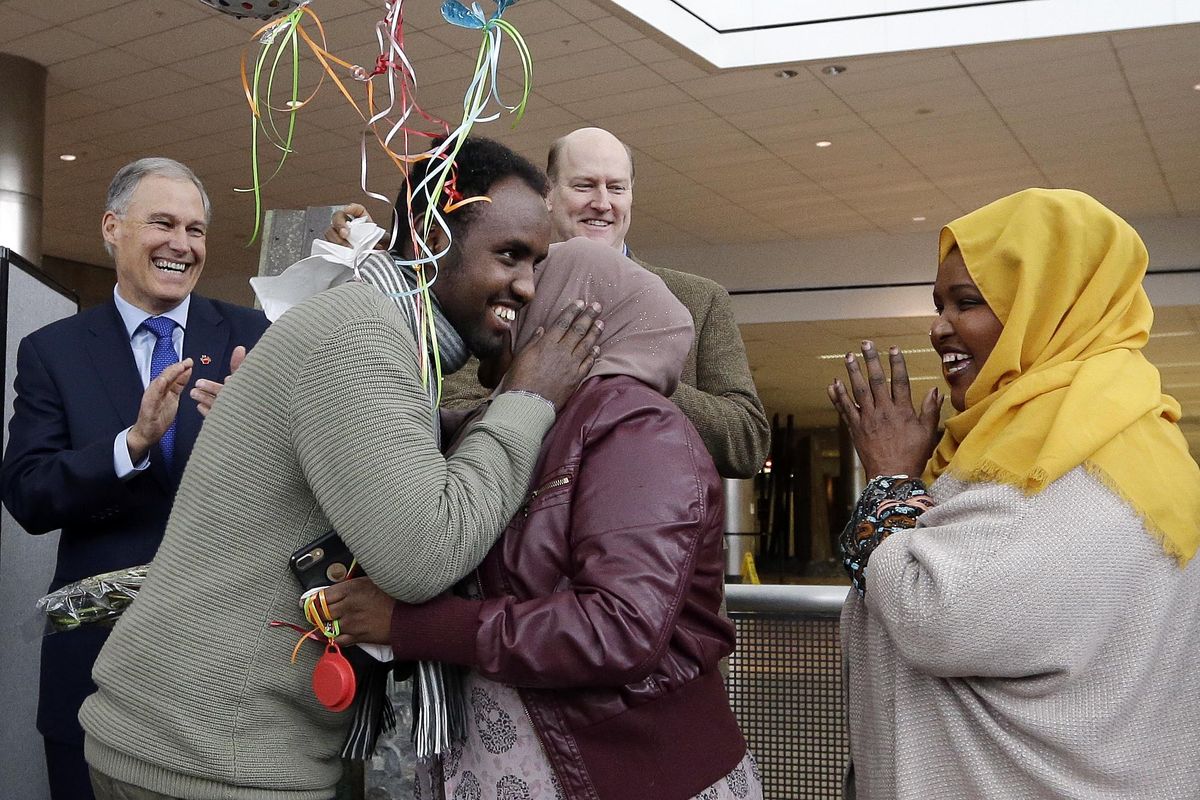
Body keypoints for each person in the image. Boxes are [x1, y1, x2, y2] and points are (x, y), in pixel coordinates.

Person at [78, 137, 604, 800]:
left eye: (538, 263)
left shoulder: (379, 330)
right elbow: (423, 553)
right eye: (509, 255)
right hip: (208, 758)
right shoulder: (362, 330)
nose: (527, 286)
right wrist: (530, 397)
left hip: (204, 744)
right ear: (429, 236)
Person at [323, 236, 762, 800]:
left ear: (573, 321)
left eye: (533, 292)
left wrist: (409, 626)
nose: (513, 299)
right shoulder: (523, 423)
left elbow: (618, 627)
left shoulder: (638, 429)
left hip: (620, 771)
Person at [828, 188, 1200, 799]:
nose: (938, 326)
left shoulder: (1084, 457)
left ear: (1049, 304)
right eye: (940, 303)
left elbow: (937, 616)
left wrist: (890, 482)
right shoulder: (1063, 437)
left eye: (968, 302)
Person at [0, 157, 270, 800]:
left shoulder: (251, 337)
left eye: (197, 230)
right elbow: (29, 492)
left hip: (224, 677)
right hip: (95, 670)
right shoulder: (53, 351)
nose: (182, 244)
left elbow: (301, 485)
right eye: (163, 224)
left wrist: (254, 436)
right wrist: (133, 443)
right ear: (112, 228)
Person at [329, 126, 769, 479]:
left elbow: (748, 442)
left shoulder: (696, 299)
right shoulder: (495, 293)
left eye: (617, 187)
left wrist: (619, 374)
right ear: (549, 196)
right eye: (584, 186)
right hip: (510, 550)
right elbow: (447, 408)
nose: (602, 203)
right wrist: (540, 376)